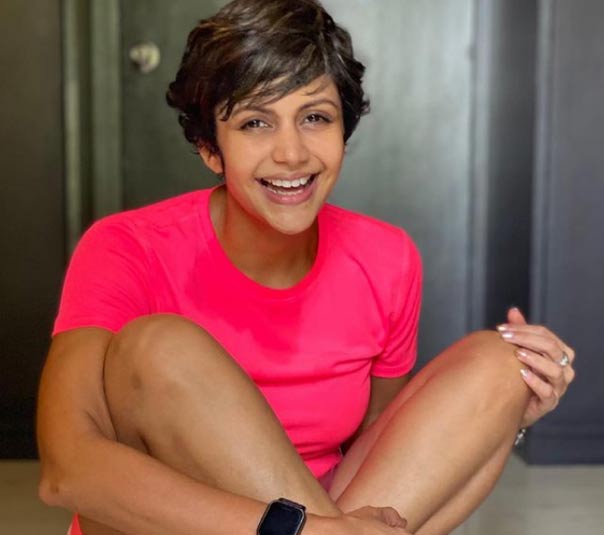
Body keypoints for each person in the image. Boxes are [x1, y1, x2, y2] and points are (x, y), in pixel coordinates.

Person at [36, 1, 576, 534]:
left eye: (315, 117)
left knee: (502, 362)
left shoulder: (386, 258)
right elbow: (67, 472)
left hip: (334, 518)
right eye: (255, 122)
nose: (292, 154)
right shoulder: (126, 248)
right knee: (160, 348)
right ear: (209, 147)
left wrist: (502, 415)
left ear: (344, 129)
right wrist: (305, 531)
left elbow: (381, 455)